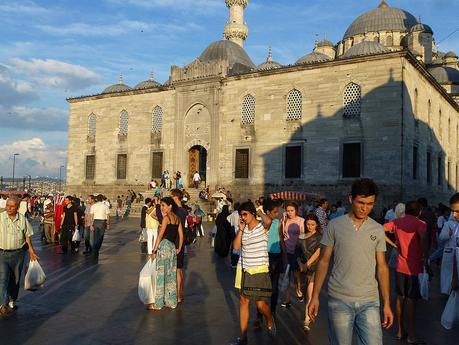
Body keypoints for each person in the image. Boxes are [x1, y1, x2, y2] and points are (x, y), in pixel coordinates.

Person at [308, 178, 393, 345]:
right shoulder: (334, 226)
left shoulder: (377, 228)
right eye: (361, 202)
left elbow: (382, 268)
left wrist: (387, 303)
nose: (365, 208)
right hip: (339, 299)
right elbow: (324, 261)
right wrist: (315, 296)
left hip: (370, 300)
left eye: (370, 204)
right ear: (350, 199)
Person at [230, 201, 276, 345]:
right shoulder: (243, 228)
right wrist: (241, 229)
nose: (242, 217)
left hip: (259, 270)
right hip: (243, 268)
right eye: (240, 215)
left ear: (252, 213)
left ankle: (269, 319)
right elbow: (236, 247)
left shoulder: (262, 227)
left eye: (245, 214)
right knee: (243, 302)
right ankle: (243, 338)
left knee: (260, 305)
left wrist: (260, 211)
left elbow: (269, 220)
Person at [384, 201, 428, 344]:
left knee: (400, 296)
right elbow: (423, 238)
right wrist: (425, 255)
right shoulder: (421, 224)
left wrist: (393, 245)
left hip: (400, 265)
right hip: (414, 267)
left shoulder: (397, 221)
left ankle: (400, 330)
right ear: (419, 212)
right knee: (410, 299)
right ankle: (412, 335)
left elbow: (379, 229)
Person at [0, 197, 39, 316]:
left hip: (18, 254)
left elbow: (27, 236)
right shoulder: (0, 218)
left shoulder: (22, 219)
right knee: (3, 278)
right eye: (7, 205)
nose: (9, 208)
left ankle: (12, 300)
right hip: (2, 253)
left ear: (17, 207)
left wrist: (31, 251)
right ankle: (2, 304)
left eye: (12, 206)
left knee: (15, 279)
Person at [149, 197, 184, 310]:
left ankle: (158, 304)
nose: (162, 208)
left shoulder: (166, 218)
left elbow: (160, 235)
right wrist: (178, 248)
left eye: (164, 205)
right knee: (171, 275)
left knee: (161, 276)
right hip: (172, 248)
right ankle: (171, 301)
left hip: (164, 247)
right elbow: (181, 236)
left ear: (170, 206)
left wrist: (154, 251)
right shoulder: (177, 218)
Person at [255, 199, 284, 326]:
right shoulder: (262, 224)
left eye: (277, 211)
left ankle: (271, 311)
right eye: (274, 212)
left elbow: (281, 239)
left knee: (274, 287)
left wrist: (285, 255)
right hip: (264, 257)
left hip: (276, 256)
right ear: (268, 212)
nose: (277, 214)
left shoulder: (278, 223)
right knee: (262, 287)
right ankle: (260, 314)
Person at [295, 214, 322, 331]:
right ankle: (308, 312)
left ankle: (307, 319)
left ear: (317, 225)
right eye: (308, 224)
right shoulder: (301, 236)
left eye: (312, 224)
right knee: (303, 290)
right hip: (301, 268)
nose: (310, 226)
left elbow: (318, 252)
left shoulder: (320, 237)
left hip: (314, 268)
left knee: (309, 294)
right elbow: (296, 252)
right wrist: (301, 264)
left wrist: (307, 264)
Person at [281, 202, 305, 307]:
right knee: (286, 276)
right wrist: (283, 221)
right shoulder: (284, 220)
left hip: (296, 251)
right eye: (288, 210)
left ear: (296, 210)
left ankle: (298, 290)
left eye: (292, 210)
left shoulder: (301, 221)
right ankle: (287, 299)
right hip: (286, 251)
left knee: (296, 275)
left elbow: (303, 236)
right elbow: (282, 234)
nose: (290, 213)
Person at [439, 193, 459, 295]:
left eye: (457, 211)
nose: (454, 214)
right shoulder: (450, 225)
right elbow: (441, 238)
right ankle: (447, 291)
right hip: (449, 253)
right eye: (453, 211)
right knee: (447, 275)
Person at [170, 189, 187, 303]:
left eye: (172, 197)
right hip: (179, 242)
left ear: (176, 198)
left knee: (176, 270)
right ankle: (179, 295)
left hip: (176, 242)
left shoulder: (179, 212)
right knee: (179, 269)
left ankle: (178, 295)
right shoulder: (183, 210)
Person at [89, 194, 110, 258]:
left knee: (95, 237)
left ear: (96, 199)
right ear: (102, 199)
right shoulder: (105, 206)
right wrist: (108, 224)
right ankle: (96, 250)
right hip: (102, 222)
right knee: (101, 237)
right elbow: (108, 216)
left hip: (95, 222)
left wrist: (91, 225)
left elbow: (91, 216)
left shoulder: (93, 206)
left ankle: (95, 250)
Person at [227, 203, 241, 268]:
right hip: (239, 231)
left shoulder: (232, 214)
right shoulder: (240, 214)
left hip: (233, 231)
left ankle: (233, 263)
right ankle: (238, 261)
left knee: (233, 247)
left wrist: (232, 223)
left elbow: (228, 219)